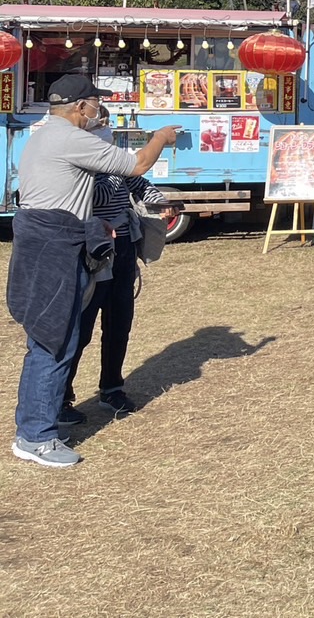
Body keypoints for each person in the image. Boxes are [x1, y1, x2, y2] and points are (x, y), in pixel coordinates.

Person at [9, 76, 179, 468]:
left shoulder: (43, 135)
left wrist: (93, 225)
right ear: (80, 107)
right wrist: (159, 136)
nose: (97, 112)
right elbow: (137, 164)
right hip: (54, 245)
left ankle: (46, 419)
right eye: (94, 105)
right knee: (54, 341)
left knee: (57, 337)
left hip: (51, 238)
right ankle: (35, 436)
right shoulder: (70, 137)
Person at [60, 119, 179, 424]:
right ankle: (61, 397)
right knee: (81, 328)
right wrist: (118, 172)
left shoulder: (118, 164)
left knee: (119, 323)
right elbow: (95, 197)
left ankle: (112, 388)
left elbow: (142, 186)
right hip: (92, 251)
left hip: (123, 248)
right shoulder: (77, 169)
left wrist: (162, 203)